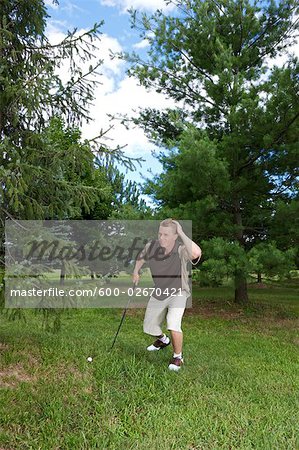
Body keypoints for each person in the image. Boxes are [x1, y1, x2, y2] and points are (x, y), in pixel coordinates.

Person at [132, 219, 202, 371]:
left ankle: (178, 357)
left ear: (175, 236)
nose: (162, 238)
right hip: (159, 291)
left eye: (166, 235)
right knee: (149, 326)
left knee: (173, 322)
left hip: (178, 292)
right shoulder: (151, 246)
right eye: (160, 234)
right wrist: (136, 271)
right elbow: (141, 257)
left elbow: (196, 253)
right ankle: (163, 341)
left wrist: (181, 232)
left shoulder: (180, 249)